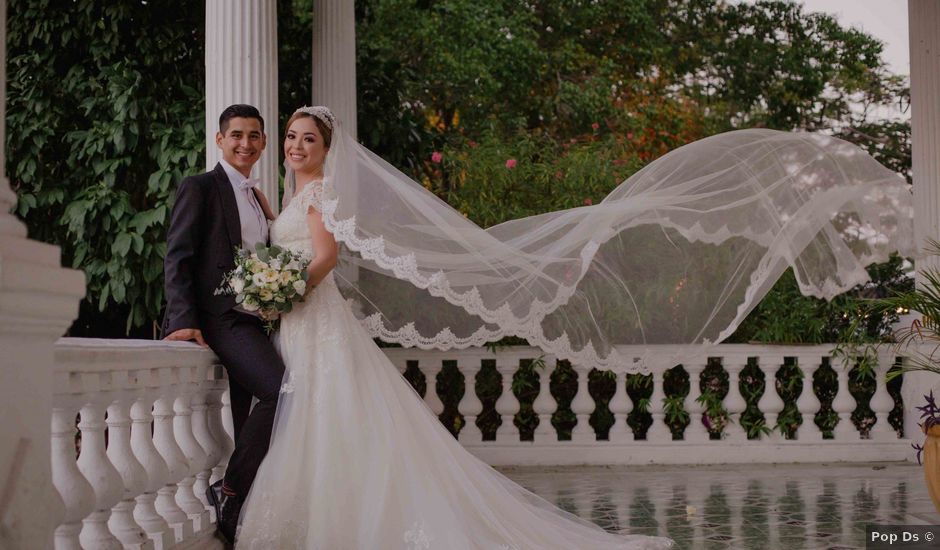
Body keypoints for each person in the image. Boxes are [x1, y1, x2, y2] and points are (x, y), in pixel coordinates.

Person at [236, 104, 912, 548]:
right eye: (291, 139)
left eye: (308, 139)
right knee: (322, 417)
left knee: (326, 415)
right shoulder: (290, 194)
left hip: (309, 318)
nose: (297, 147)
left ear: (328, 148)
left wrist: (280, 290)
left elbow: (322, 256)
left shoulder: (322, 195)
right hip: (306, 325)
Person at [162, 104, 279, 544]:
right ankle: (227, 490)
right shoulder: (202, 187)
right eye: (236, 135)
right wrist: (183, 319)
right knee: (280, 390)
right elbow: (179, 255)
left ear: (264, 142)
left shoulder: (258, 199)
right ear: (219, 139)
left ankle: (239, 511)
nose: (245, 143)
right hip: (223, 319)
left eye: (253, 136)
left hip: (259, 321)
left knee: (245, 415)